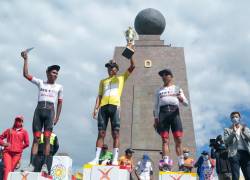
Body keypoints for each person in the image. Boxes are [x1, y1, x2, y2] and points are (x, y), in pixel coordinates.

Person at [89, 47, 135, 165]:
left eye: (111, 67)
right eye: (108, 68)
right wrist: (95, 108)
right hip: (103, 107)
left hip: (115, 106)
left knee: (115, 133)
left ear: (116, 69)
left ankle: (115, 158)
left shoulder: (121, 78)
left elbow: (132, 67)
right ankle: (96, 158)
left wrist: (131, 57)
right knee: (101, 133)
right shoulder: (102, 81)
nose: (109, 69)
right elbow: (99, 95)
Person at [21, 51, 63, 173]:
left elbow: (60, 103)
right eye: (53, 72)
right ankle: (31, 164)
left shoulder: (59, 87)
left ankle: (45, 164)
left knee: (47, 138)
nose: (55, 75)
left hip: (50, 112)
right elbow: (25, 74)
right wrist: (25, 59)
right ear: (48, 73)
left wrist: (57, 117)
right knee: (36, 139)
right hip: (39, 111)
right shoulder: (40, 82)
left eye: (57, 73)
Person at [153, 69, 188, 170]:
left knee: (179, 139)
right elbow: (155, 106)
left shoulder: (177, 88)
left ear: (171, 76)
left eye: (166, 74)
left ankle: (181, 164)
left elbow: (186, 103)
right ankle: (166, 163)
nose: (164, 76)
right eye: (162, 75)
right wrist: (155, 119)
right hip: (163, 114)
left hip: (174, 113)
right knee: (165, 140)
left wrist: (180, 98)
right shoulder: (159, 90)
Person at [0, 115, 29, 180]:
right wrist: (4, 144)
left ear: (22, 122)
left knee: (11, 170)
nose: (18, 121)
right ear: (14, 121)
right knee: (7, 169)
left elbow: (27, 143)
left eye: (19, 120)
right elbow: (0, 138)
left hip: (17, 154)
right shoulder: (9, 130)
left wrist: (19, 148)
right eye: (16, 120)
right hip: (7, 153)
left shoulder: (24, 132)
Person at [224, 111, 250, 180]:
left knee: (248, 175)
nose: (234, 118)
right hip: (234, 154)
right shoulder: (227, 129)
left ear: (239, 118)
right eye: (232, 117)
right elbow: (226, 141)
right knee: (235, 176)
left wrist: (244, 131)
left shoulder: (245, 128)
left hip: (245, 153)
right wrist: (233, 132)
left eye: (236, 117)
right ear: (231, 119)